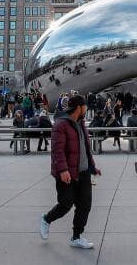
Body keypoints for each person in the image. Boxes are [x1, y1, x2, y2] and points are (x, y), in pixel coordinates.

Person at [39, 95, 100, 250]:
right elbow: (57, 151)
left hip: (83, 171)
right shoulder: (61, 124)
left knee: (85, 205)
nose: (86, 108)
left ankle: (76, 237)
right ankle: (47, 219)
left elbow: (86, 148)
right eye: (85, 106)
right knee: (66, 204)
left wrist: (92, 167)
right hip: (66, 172)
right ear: (79, 107)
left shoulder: (81, 123)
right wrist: (63, 170)